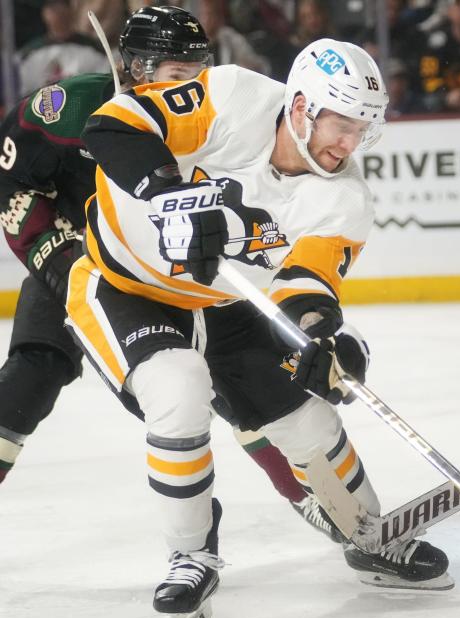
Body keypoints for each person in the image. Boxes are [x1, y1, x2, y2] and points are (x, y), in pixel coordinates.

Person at [68, 36, 451, 618]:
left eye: (363, 130)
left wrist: (322, 338)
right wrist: (170, 195)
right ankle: (191, 555)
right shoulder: (231, 96)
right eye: (341, 126)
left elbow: (306, 286)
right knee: (179, 390)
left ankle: (371, 537)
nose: (349, 145)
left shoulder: (344, 195)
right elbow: (112, 126)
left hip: (226, 305)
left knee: (311, 424)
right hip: (124, 287)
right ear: (300, 106)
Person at [0, 5, 342, 537]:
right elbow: (12, 179)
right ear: (137, 70)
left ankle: (313, 498)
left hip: (171, 279)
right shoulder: (69, 108)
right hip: (83, 267)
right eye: (178, 74)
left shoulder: (207, 114)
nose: (194, 84)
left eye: (198, 70)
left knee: (229, 386)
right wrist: (54, 254)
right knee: (30, 377)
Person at [16, 0, 112, 97]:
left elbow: (102, 85)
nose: (59, 12)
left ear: (72, 10)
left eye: (63, 6)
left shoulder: (94, 49)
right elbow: (25, 95)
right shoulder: (30, 54)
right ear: (44, 13)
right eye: (53, 8)